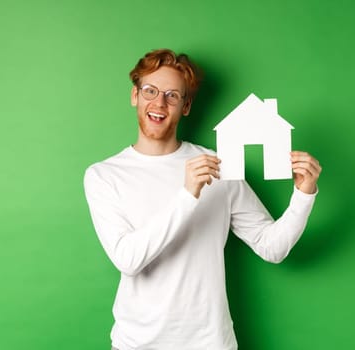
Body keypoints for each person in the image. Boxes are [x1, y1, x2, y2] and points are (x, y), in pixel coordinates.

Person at [83, 49, 322, 350]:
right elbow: (128, 259)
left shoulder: (219, 165)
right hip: (137, 344)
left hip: (210, 343)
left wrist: (304, 194)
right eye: (150, 91)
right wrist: (187, 194)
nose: (159, 103)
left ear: (186, 106)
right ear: (135, 95)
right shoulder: (104, 175)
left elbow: (271, 247)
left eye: (172, 95)